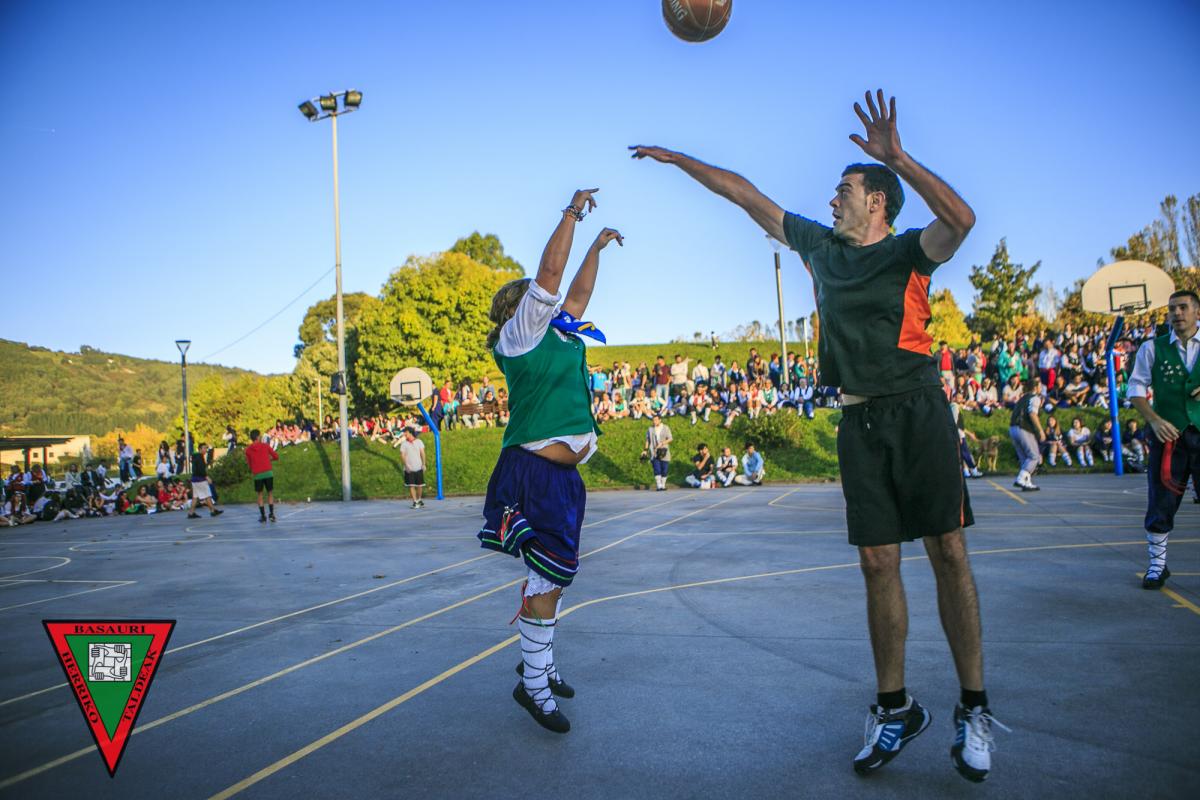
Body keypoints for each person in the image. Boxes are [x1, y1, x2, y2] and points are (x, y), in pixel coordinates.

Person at [633, 89, 1002, 782]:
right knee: (877, 564)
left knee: (948, 551)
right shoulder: (821, 248)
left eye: (845, 190)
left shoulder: (909, 252)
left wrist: (899, 157)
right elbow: (745, 195)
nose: (832, 199)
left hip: (919, 410)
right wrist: (679, 159)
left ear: (877, 203)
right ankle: (893, 708)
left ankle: (974, 707)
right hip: (859, 419)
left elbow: (962, 219)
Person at [475, 187, 622, 735]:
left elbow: (576, 294)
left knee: (553, 579)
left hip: (560, 478)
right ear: (519, 311)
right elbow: (552, 275)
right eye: (539, 300)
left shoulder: (560, 335)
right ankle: (533, 685)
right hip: (535, 474)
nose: (553, 305)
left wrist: (597, 249)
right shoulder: (520, 337)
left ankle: (539, 665)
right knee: (549, 579)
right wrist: (572, 214)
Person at [1127, 289, 1200, 590]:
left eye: (1183, 307)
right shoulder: (1152, 348)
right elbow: (1135, 389)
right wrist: (1154, 420)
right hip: (1168, 435)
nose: (1177, 313)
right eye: (1172, 309)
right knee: (1161, 499)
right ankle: (1157, 566)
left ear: (1197, 312)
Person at [1009, 376, 1045, 491]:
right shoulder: (1035, 398)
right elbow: (1032, 414)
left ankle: (1027, 482)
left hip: (1013, 428)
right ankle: (1021, 478)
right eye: (1040, 386)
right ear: (1035, 388)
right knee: (1034, 456)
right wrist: (1040, 430)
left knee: (1024, 458)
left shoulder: (1022, 398)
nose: (1041, 388)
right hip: (1023, 428)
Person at [244, 428, 279, 523]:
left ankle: (263, 516)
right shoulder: (265, 446)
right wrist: (269, 459)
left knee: (260, 495)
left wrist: (253, 469)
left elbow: (249, 463)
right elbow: (276, 456)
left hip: (257, 474)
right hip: (268, 472)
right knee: (270, 493)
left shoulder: (248, 450)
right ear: (258, 437)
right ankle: (271, 514)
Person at [187, 443, 223, 519]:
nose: (206, 450)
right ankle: (212, 511)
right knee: (207, 495)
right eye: (204, 448)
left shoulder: (195, 457)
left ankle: (191, 513)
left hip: (194, 479)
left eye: (206, 448)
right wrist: (207, 477)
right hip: (200, 479)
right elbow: (201, 469)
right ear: (200, 449)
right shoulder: (200, 457)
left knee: (195, 497)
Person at [399, 427, 427, 509]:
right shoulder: (404, 444)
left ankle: (419, 500)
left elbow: (422, 453)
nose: (404, 434)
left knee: (420, 485)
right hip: (409, 468)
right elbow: (402, 456)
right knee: (411, 485)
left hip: (418, 467)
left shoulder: (419, 442)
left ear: (410, 432)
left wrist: (424, 464)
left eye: (406, 432)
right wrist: (406, 466)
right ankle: (415, 502)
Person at [644, 413, 672, 491]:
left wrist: (662, 443)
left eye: (656, 420)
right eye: (653, 420)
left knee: (664, 469)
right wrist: (645, 450)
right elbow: (647, 440)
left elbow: (670, 438)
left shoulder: (665, 428)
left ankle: (663, 485)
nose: (654, 422)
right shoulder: (650, 429)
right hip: (654, 452)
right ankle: (659, 485)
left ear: (660, 420)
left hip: (664, 451)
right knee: (657, 469)